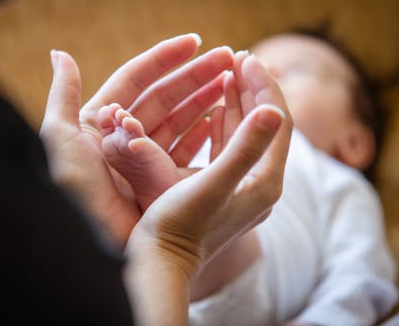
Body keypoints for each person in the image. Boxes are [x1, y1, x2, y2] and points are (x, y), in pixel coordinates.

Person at [0, 0, 292, 325]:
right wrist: (174, 248)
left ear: (353, 139)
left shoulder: (334, 178)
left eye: (301, 72)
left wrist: (82, 220)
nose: (273, 72)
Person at [99, 32, 398, 325]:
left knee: (224, 229)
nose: (266, 73)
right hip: (158, 285)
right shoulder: (207, 140)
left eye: (297, 70)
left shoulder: (342, 182)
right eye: (254, 65)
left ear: (354, 143)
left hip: (260, 274)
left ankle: (170, 196)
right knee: (193, 200)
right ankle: (164, 192)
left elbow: (360, 273)